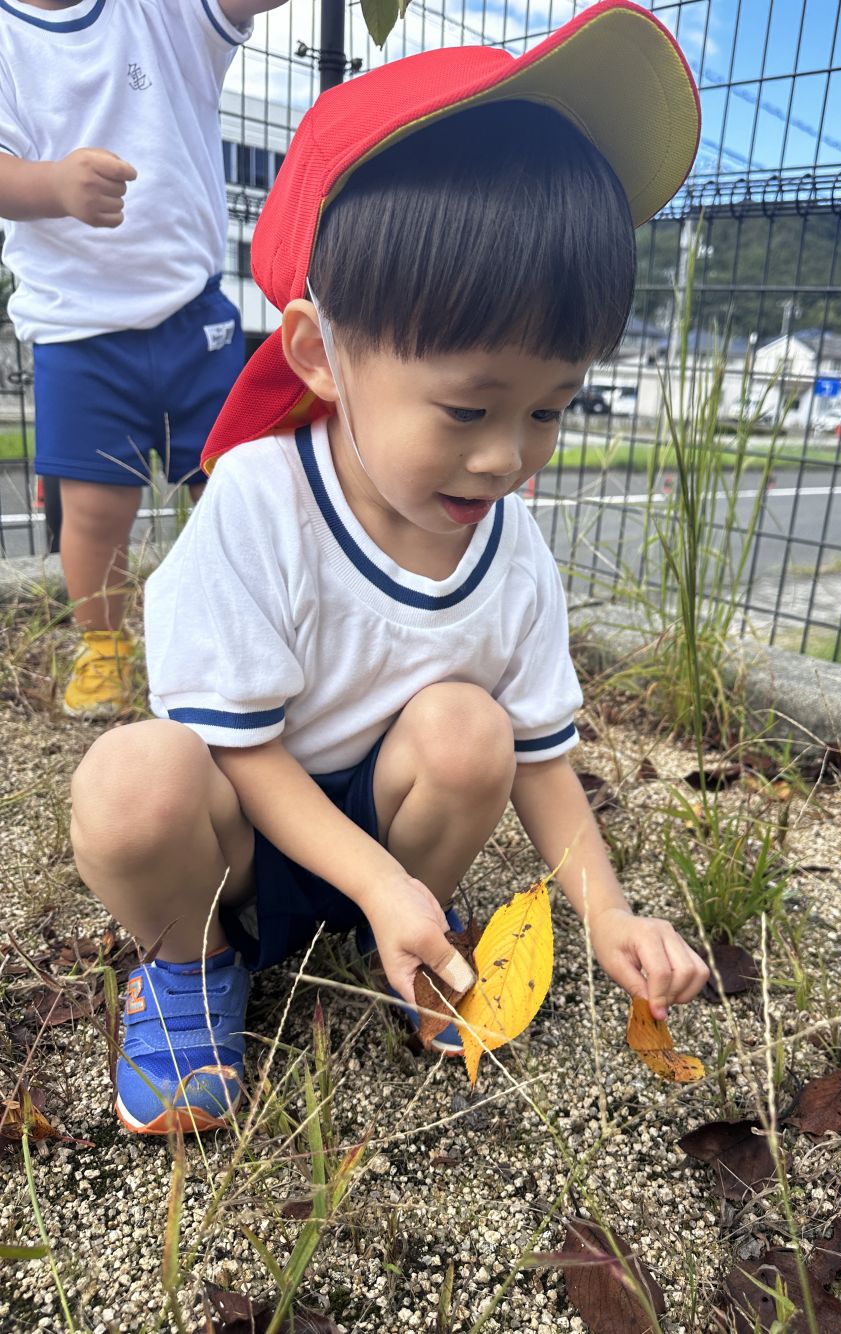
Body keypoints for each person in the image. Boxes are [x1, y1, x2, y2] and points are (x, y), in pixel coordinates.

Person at [69, 0, 711, 1136]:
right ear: (320, 354)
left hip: (384, 842)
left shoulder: (506, 542)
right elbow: (239, 745)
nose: (508, 455)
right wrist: (372, 876)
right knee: (131, 783)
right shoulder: (262, 500)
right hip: (239, 845)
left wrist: (608, 912)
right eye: (468, 405)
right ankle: (189, 967)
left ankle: (400, 939)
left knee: (476, 730)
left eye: (551, 407)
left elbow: (544, 765)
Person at [0, 0, 288, 718]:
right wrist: (55, 186)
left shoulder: (160, 9)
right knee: (93, 513)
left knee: (233, 489)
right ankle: (106, 652)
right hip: (78, 329)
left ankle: (242, 634)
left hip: (194, 311)